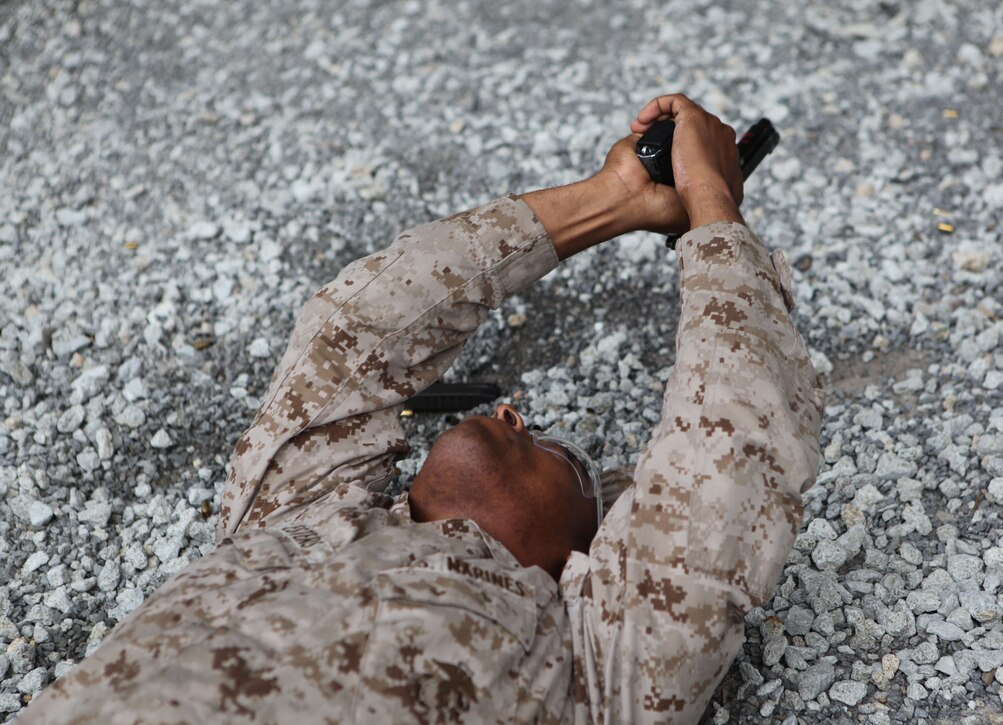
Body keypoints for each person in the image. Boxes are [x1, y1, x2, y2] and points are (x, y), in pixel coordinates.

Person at [19, 94, 824, 724]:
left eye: (554, 449)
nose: (512, 414)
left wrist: (716, 203)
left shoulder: (597, 665)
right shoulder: (303, 513)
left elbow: (730, 442)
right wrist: (612, 198)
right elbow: (355, 328)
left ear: (590, 564)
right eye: (529, 421)